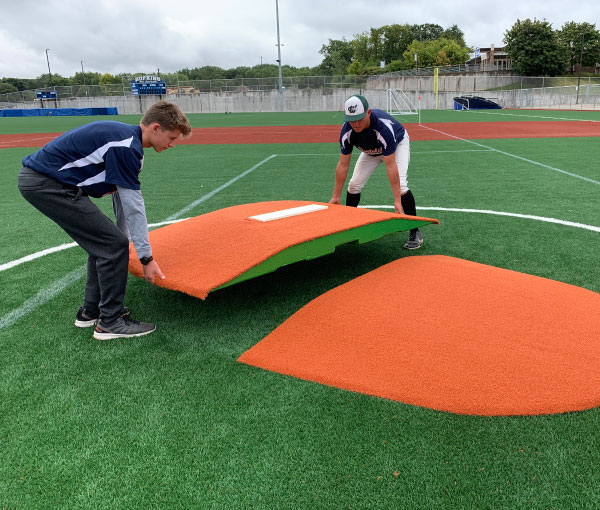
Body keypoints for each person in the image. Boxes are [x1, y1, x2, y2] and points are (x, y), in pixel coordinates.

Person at [18, 100, 192, 340]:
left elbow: (121, 201)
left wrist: (122, 239)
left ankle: (91, 312)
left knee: (106, 244)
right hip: (46, 184)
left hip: (46, 183)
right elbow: (134, 208)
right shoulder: (126, 146)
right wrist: (146, 257)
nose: (173, 145)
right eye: (172, 138)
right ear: (155, 128)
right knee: (111, 246)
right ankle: (110, 321)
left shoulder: (129, 144)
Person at [329, 94, 424, 250]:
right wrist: (336, 196)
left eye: (359, 118)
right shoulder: (347, 131)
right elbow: (343, 164)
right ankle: (350, 226)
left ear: (368, 112)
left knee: (401, 186)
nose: (355, 123)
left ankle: (415, 232)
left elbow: (391, 164)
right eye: (351, 119)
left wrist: (397, 200)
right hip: (370, 151)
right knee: (353, 185)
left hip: (397, 145)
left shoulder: (382, 127)